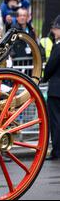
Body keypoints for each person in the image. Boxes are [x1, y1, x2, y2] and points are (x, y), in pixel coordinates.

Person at [42, 15, 60, 160]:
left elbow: (50, 66)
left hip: (56, 89)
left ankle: (57, 150)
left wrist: (43, 78)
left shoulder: (58, 46)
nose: (53, 32)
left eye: (55, 28)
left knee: (56, 121)